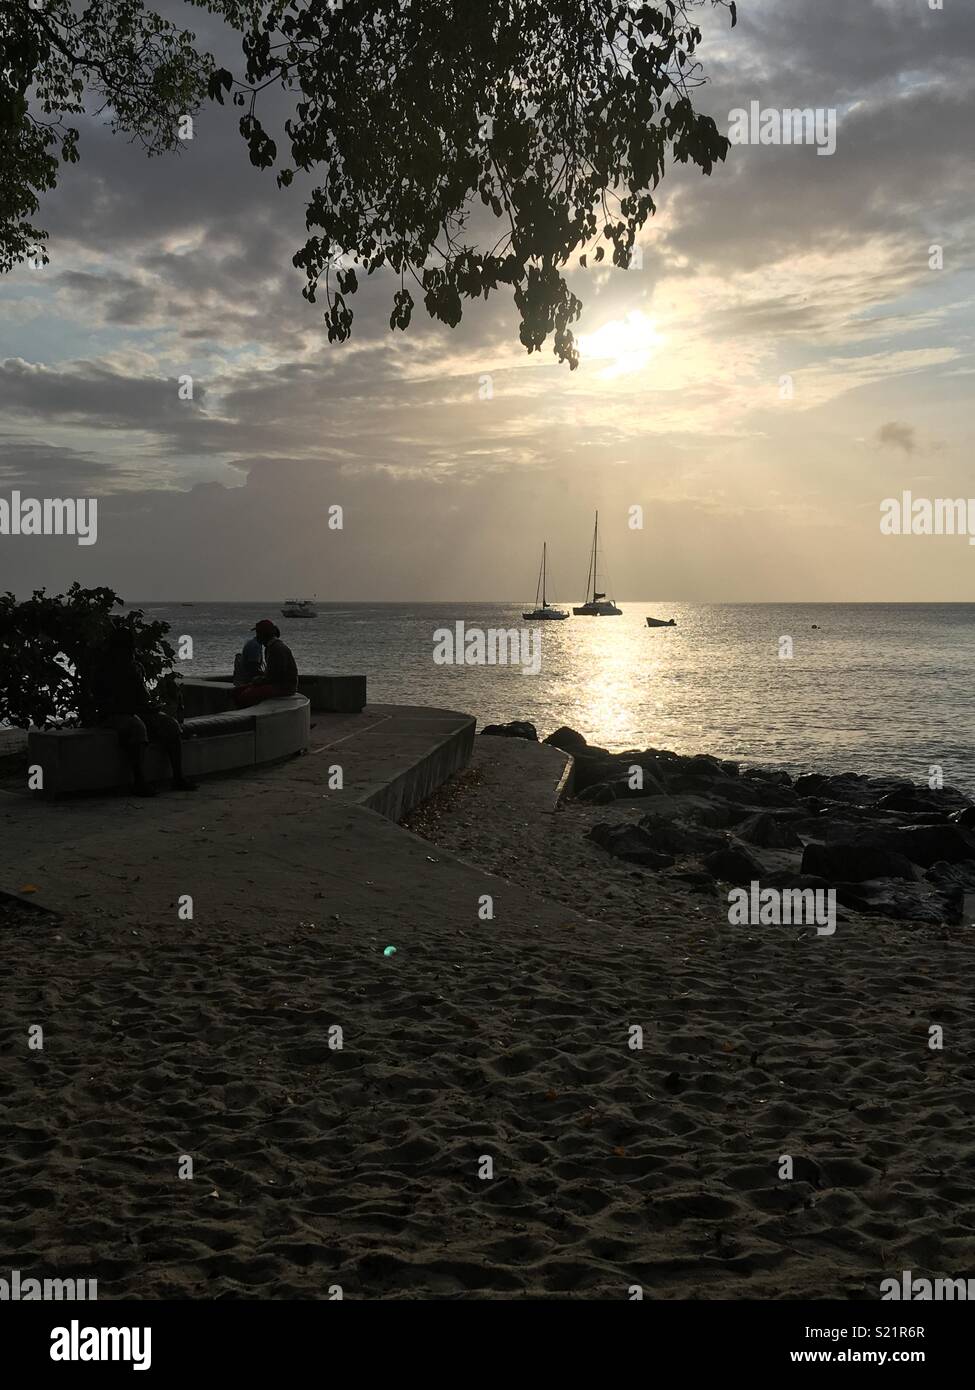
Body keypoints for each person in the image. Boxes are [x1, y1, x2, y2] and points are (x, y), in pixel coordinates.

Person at [91, 625, 198, 796]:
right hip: (112, 715)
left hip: (134, 711)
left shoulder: (133, 666)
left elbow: (140, 696)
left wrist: (149, 707)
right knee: (136, 727)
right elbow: (103, 701)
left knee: (170, 724)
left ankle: (178, 776)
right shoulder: (103, 668)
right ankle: (139, 781)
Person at [232, 620, 299, 708]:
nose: (256, 636)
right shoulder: (272, 647)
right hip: (279, 684)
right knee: (237, 691)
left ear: (263, 634)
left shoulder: (276, 649)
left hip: (284, 687)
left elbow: (275, 676)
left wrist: (260, 680)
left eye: (258, 633)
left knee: (246, 695)